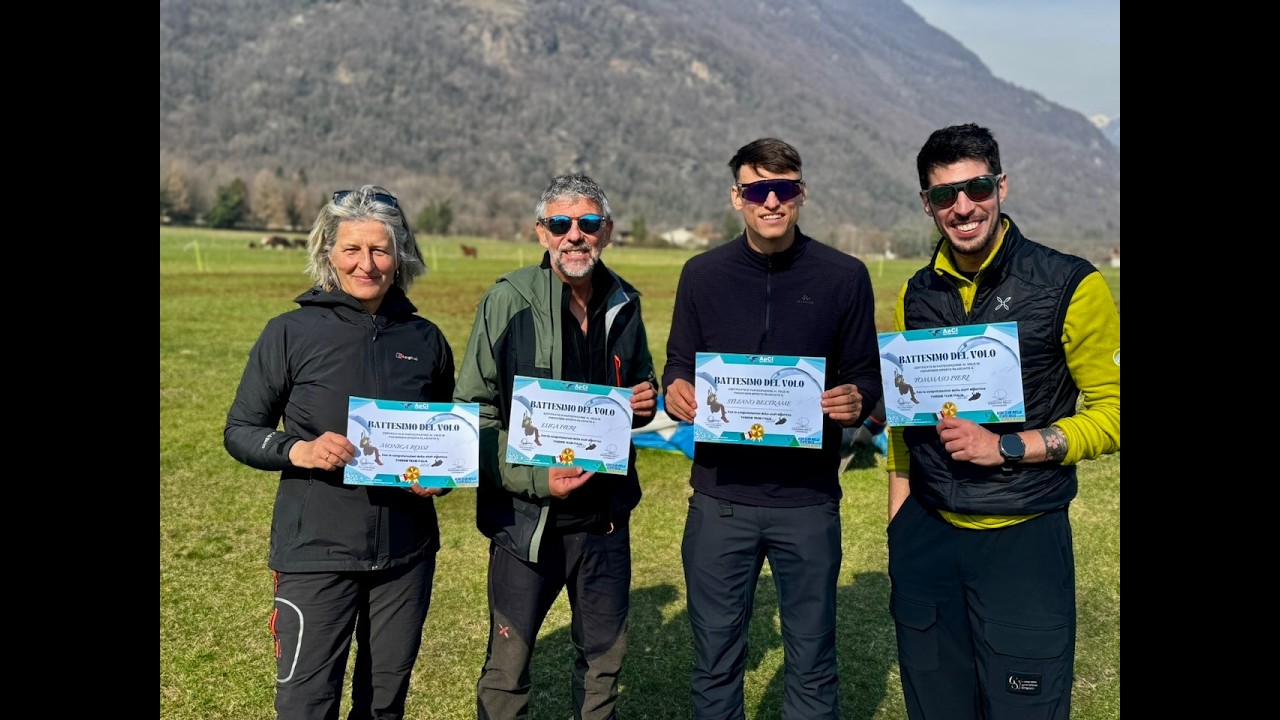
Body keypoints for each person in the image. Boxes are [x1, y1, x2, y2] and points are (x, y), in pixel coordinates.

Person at [885, 123, 1120, 720]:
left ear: (1001, 186)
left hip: (1024, 540)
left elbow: (1114, 411)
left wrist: (1010, 450)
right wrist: (899, 521)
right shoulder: (914, 294)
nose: (963, 207)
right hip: (929, 537)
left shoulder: (1071, 282)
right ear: (928, 205)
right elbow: (903, 427)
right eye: (944, 195)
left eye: (977, 187)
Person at [661, 137, 883, 720]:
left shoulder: (845, 275)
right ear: (737, 197)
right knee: (715, 659)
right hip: (719, 498)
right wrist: (677, 389)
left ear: (801, 193)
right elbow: (679, 363)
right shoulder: (701, 274)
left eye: (784, 189)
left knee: (811, 658)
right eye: (758, 189)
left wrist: (857, 397)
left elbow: (867, 373)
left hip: (807, 501)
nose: (771, 202)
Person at [223, 185, 456, 720]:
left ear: (401, 257)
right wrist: (297, 450)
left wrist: (440, 475)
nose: (366, 264)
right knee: (307, 705)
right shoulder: (290, 332)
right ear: (328, 253)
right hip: (316, 553)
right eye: (351, 249)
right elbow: (240, 429)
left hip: (406, 554)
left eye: (380, 250)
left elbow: (444, 437)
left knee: (383, 706)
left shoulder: (426, 339)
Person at [453, 172, 658, 720]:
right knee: (509, 668)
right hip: (527, 523)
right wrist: (535, 480)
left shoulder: (625, 303)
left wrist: (645, 402)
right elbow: (474, 414)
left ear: (607, 231)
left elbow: (643, 388)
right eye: (561, 224)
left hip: (604, 523)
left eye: (588, 223)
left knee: (602, 668)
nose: (575, 235)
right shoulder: (507, 301)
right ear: (541, 233)